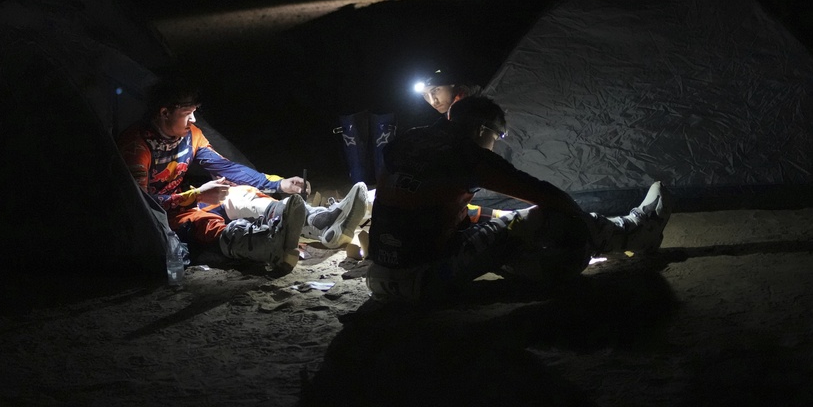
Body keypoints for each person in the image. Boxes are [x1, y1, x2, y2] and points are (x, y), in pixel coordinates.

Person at [366, 95, 672, 301]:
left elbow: (417, 204)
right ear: (481, 129)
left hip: (380, 277)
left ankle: (533, 264)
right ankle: (633, 232)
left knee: (481, 215)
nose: (496, 145)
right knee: (538, 215)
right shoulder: (468, 154)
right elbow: (547, 195)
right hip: (423, 280)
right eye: (497, 137)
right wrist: (580, 221)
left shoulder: (406, 141)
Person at [118, 78, 368, 275]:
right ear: (164, 113)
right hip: (160, 224)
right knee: (204, 223)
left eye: (195, 112)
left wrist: (277, 183)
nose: (193, 120)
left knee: (239, 192)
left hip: (184, 203)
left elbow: (227, 168)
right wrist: (195, 195)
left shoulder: (190, 135)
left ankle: (321, 221)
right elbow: (143, 206)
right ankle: (265, 244)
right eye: (188, 113)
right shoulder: (136, 147)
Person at [413, 67, 482, 116]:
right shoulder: (453, 116)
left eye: (435, 90)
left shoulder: (481, 102)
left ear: (451, 83)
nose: (433, 102)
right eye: (425, 95)